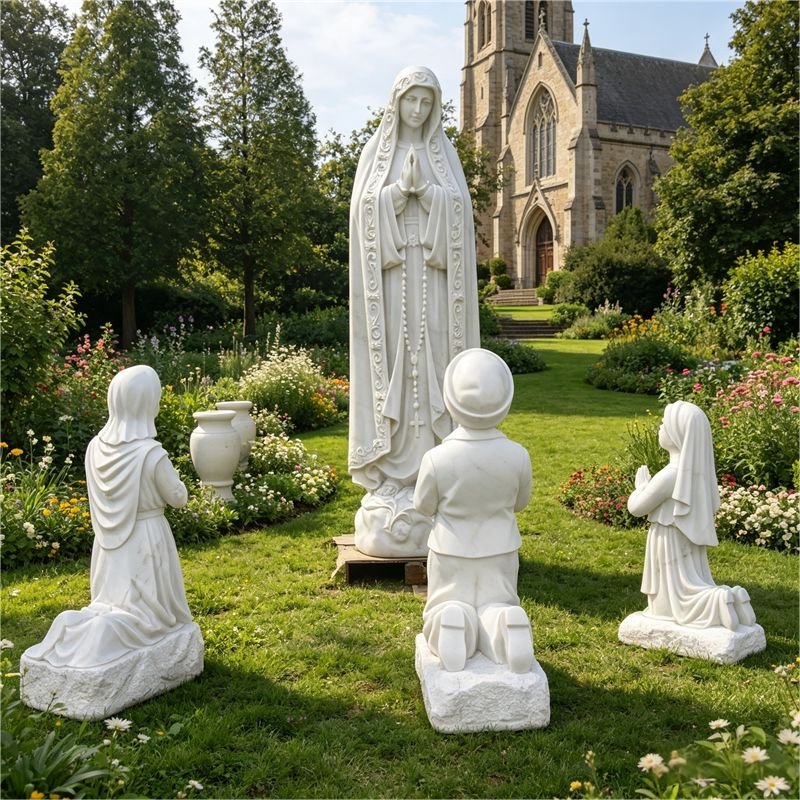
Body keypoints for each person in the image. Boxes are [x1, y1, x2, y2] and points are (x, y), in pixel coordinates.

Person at [348, 65, 480, 556]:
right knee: (396, 376)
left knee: (433, 369)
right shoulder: (375, 155)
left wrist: (428, 195)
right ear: (396, 103)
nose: (419, 111)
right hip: (390, 282)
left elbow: (463, 215)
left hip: (438, 286)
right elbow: (362, 211)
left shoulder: (444, 157)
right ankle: (390, 474)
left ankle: (434, 471)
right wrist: (394, 196)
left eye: (427, 103)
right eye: (411, 102)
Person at [24, 365, 195, 667]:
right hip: (146, 539)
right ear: (146, 402)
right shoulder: (151, 453)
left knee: (111, 604)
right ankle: (143, 629)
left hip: (108, 544)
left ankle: (85, 628)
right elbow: (178, 498)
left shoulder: (94, 447)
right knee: (148, 613)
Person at [415, 348, 534, 673]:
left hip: (450, 550)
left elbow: (423, 505)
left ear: (451, 401)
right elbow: (520, 503)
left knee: (445, 601)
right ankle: (503, 622)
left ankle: (451, 621)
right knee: (498, 601)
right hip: (501, 549)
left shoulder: (437, 458)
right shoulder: (517, 455)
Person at [626, 401, 757, 630]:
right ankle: (731, 598)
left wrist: (640, 487)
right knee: (692, 580)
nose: (660, 427)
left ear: (678, 434)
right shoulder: (697, 475)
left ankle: (715, 602)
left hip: (667, 540)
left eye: (664, 424)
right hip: (687, 543)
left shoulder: (669, 476)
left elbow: (636, 508)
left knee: (671, 600)